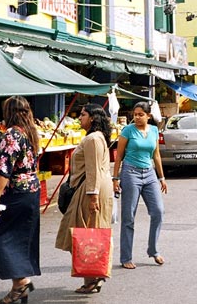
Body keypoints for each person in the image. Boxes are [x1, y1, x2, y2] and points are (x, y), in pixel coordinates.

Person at [0, 96, 40, 304]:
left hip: (13, 194)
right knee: (19, 239)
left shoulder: (11, 136)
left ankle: (21, 281)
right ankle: (19, 286)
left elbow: (4, 171)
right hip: (30, 193)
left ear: (9, 113)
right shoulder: (30, 133)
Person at [55, 103, 114, 294]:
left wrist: (92, 196)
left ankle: (93, 277)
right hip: (92, 188)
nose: (80, 117)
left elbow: (93, 169)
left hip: (90, 190)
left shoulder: (93, 139)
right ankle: (94, 276)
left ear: (93, 118)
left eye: (83, 114)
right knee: (89, 232)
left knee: (83, 234)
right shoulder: (95, 138)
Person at [112, 101, 168, 270]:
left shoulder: (154, 131)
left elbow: (156, 156)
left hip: (149, 173)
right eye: (135, 114)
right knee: (129, 216)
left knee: (158, 211)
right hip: (130, 173)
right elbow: (119, 156)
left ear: (148, 116)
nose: (136, 117)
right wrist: (115, 178)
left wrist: (161, 177)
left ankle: (153, 250)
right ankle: (126, 257)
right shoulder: (128, 130)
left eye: (140, 114)